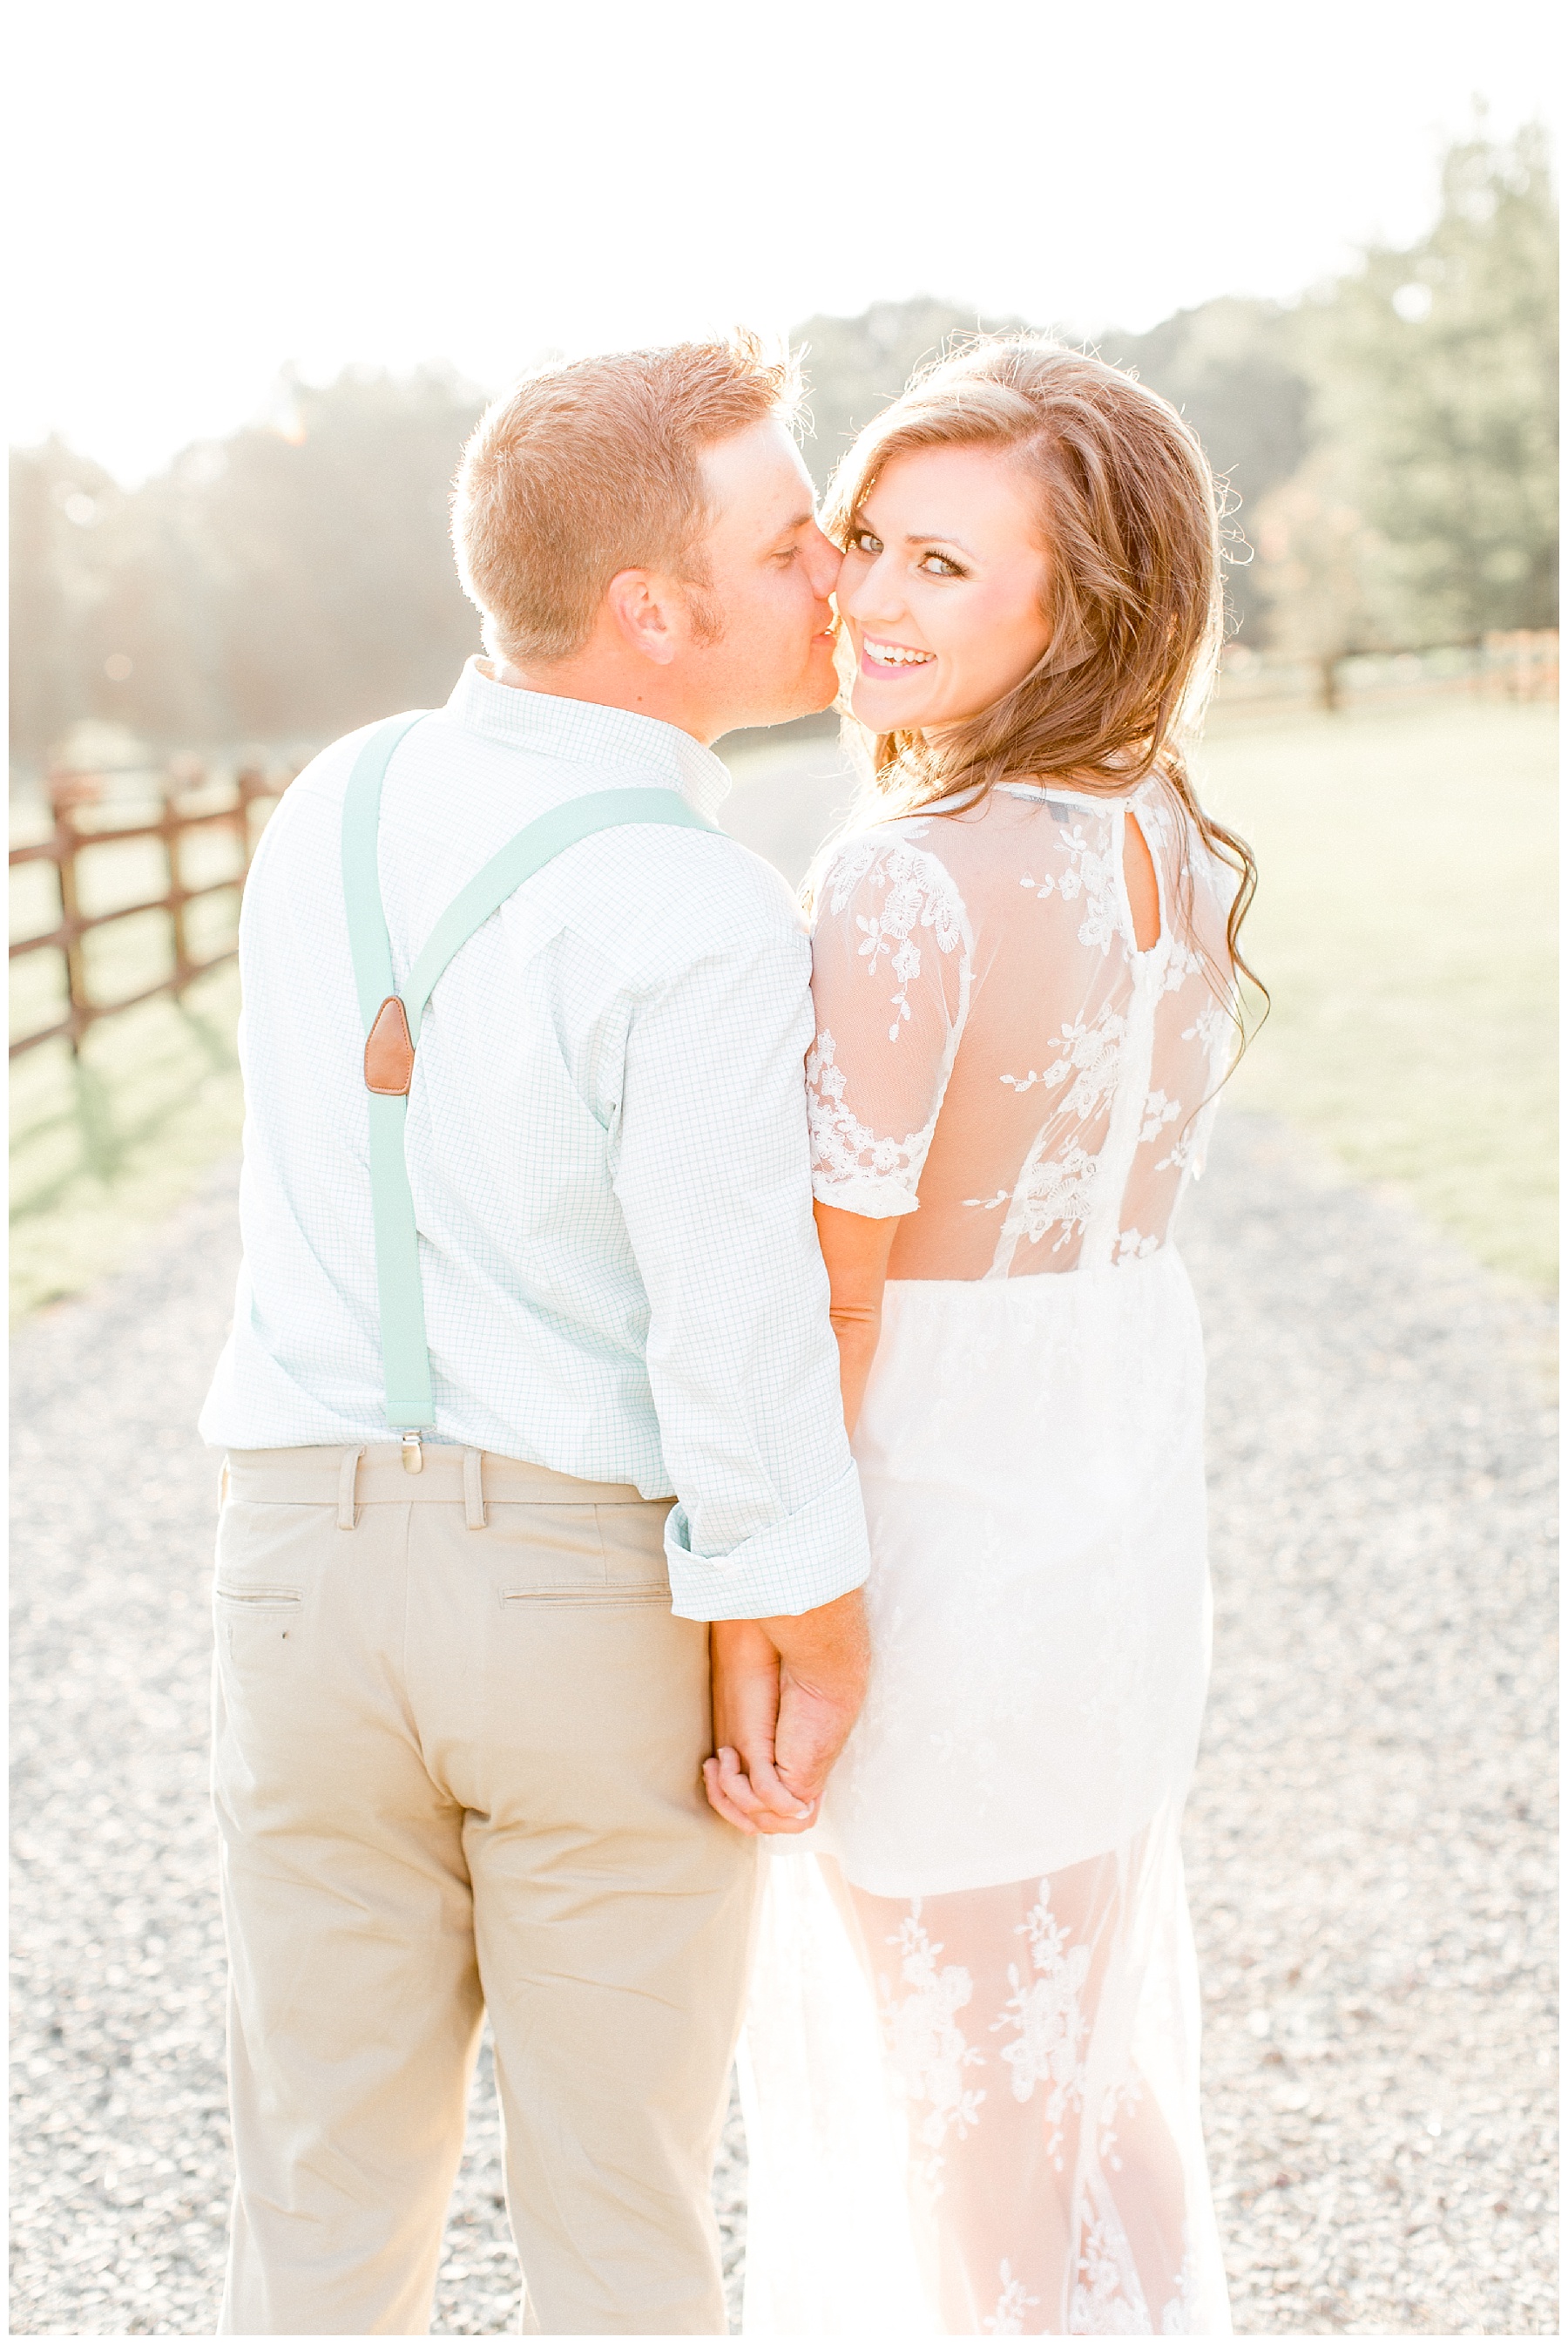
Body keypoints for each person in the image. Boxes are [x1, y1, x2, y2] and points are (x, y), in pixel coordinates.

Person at [197, 334, 870, 2337]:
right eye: (791, 538)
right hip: (578, 1596)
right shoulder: (705, 909)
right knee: (622, 2242)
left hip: (296, 1573)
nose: (833, 565)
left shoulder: (332, 799)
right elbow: (732, 1335)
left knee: (313, 2213)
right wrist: (802, 1627)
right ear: (654, 610)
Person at [710, 337, 1257, 2336]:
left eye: (946, 564)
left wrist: (769, 1605)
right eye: (867, 544)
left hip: (941, 1547)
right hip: (1109, 1547)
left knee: (962, 2124)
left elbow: (839, 1296)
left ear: (1080, 600)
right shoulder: (1175, 849)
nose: (866, 598)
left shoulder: (907, 885)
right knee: (1075, 2078)